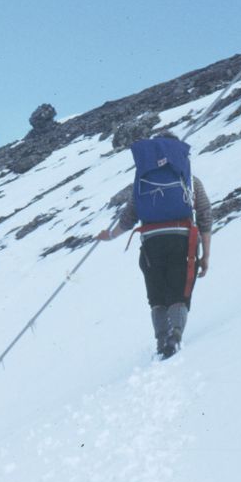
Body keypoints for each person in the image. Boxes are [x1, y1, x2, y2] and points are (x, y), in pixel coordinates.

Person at [94, 136, 214, 359]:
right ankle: (175, 336)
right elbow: (205, 216)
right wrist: (205, 255)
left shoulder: (144, 181)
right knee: (179, 293)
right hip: (182, 241)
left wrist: (110, 236)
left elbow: (128, 218)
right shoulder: (189, 180)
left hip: (151, 243)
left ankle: (161, 342)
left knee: (157, 297)